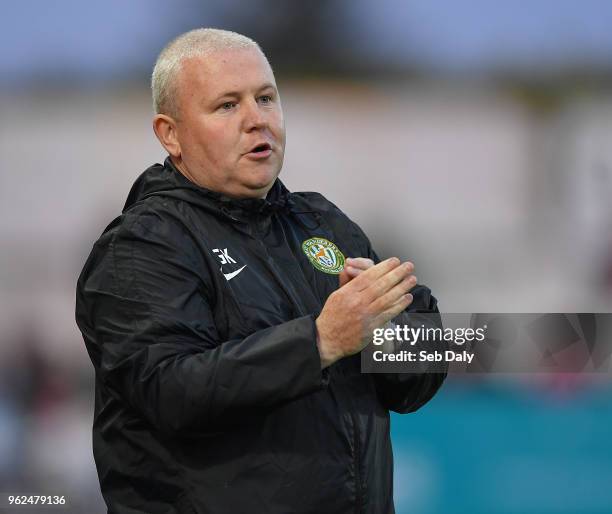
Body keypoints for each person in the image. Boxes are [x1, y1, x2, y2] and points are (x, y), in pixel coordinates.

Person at [75, 28, 446, 514]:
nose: (257, 120)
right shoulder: (140, 247)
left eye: (266, 98)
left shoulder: (323, 222)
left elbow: (423, 373)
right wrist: (321, 340)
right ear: (171, 134)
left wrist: (383, 328)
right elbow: (170, 392)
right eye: (227, 106)